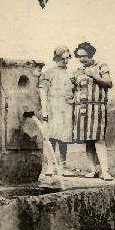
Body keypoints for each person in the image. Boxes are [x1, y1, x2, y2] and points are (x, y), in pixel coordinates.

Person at [71, 42, 113, 180]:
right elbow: (73, 89)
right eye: (79, 57)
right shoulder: (78, 70)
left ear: (91, 54)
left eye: (84, 56)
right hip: (81, 108)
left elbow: (109, 83)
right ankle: (93, 169)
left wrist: (95, 76)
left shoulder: (101, 66)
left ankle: (105, 171)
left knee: (98, 139)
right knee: (87, 140)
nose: (82, 59)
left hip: (97, 107)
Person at [38, 45, 75, 179]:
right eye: (63, 58)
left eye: (68, 58)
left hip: (66, 107)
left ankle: (63, 166)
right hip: (53, 106)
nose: (66, 61)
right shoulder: (49, 73)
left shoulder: (71, 73)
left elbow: (74, 90)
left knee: (64, 137)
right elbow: (43, 92)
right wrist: (45, 111)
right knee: (52, 137)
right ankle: (50, 165)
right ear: (57, 58)